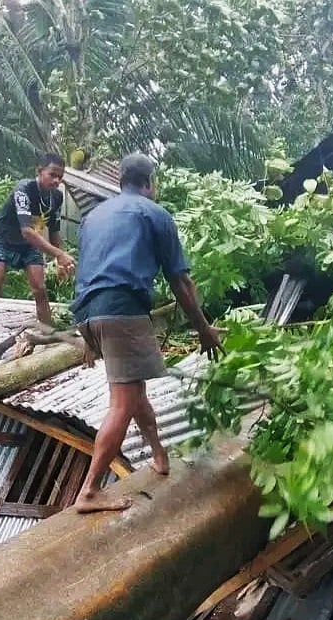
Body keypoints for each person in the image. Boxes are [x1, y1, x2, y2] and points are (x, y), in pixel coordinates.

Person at [71, 153, 223, 513]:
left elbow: (90, 269)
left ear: (121, 179)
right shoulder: (155, 214)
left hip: (88, 315)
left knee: (134, 391)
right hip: (122, 311)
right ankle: (90, 492)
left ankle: (159, 457)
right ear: (150, 182)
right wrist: (204, 329)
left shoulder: (93, 217)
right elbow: (181, 283)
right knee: (123, 403)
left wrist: (87, 334)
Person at [0, 153, 76, 363]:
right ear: (39, 172)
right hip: (4, 240)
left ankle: (48, 338)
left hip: (29, 247)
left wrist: (59, 261)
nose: (56, 180)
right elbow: (27, 231)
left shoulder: (56, 197)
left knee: (39, 288)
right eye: (52, 175)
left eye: (60, 177)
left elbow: (54, 231)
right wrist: (59, 254)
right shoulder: (24, 190)